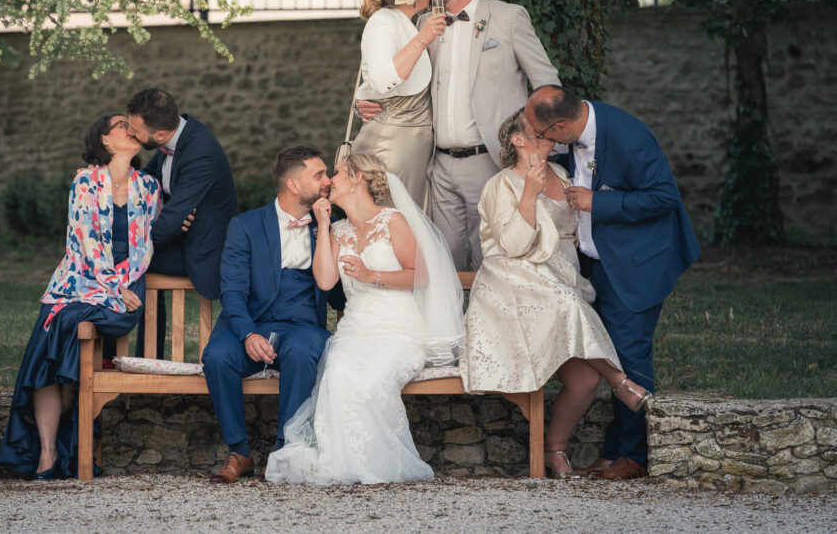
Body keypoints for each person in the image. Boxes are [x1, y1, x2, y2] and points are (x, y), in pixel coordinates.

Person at [460, 109, 649, 479]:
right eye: (539, 132)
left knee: (583, 381)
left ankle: (554, 449)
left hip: (560, 281)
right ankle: (621, 381)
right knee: (565, 302)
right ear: (518, 139)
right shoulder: (501, 185)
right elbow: (513, 245)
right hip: (513, 288)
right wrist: (529, 193)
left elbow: (576, 233)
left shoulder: (562, 175)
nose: (550, 136)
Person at [524, 85, 701, 480]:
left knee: (630, 359)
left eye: (545, 135)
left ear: (563, 126)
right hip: (598, 262)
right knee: (610, 357)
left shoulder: (629, 136)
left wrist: (597, 202)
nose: (544, 143)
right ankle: (614, 450)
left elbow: (664, 197)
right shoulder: (573, 131)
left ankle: (634, 457)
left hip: (637, 263)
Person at [356, 0, 561, 271]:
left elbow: (547, 86)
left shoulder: (508, 18)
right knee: (443, 262)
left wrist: (540, 145)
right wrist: (363, 104)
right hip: (437, 166)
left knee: (492, 259)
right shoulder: (421, 25)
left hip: (491, 159)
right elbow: (390, 80)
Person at [266, 154, 465, 485]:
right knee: (339, 373)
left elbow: (422, 276)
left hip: (398, 332)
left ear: (358, 178)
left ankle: (374, 462)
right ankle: (340, 460)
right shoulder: (338, 230)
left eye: (339, 173)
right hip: (355, 332)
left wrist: (372, 274)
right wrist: (325, 224)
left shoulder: (393, 221)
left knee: (369, 381)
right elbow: (326, 281)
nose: (330, 180)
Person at [0, 114, 161, 479]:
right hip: (79, 283)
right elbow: (85, 243)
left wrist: (122, 286)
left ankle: (65, 442)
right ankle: (49, 452)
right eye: (121, 124)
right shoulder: (85, 181)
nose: (129, 128)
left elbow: (147, 244)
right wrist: (110, 286)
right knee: (60, 326)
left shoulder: (148, 187)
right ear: (104, 139)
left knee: (63, 327)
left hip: (125, 292)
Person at [201, 146, 346, 483]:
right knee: (218, 355)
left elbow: (338, 294)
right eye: (319, 175)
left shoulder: (330, 224)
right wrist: (249, 333)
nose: (327, 181)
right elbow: (233, 292)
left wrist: (327, 231)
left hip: (301, 326)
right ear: (293, 185)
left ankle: (285, 451)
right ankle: (239, 451)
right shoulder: (246, 226)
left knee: (301, 351)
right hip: (254, 322)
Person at [125, 87, 239, 360]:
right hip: (177, 239)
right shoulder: (172, 140)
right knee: (126, 258)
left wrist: (167, 220)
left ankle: (142, 356)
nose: (130, 133)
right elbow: (143, 183)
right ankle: (147, 355)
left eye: (135, 130)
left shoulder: (200, 152)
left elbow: (166, 226)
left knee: (123, 261)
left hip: (202, 251)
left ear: (160, 134)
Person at [349, 0, 446, 208]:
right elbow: (381, 80)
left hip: (408, 148)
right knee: (392, 221)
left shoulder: (403, 22)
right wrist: (423, 38)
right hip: (391, 149)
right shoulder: (383, 22)